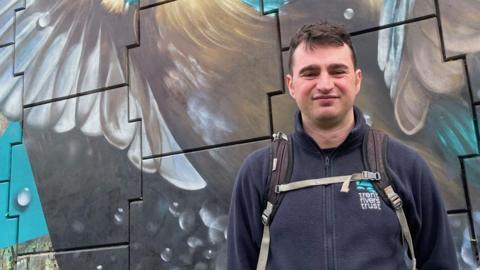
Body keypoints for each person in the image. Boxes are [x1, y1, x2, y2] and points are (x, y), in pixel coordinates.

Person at [227, 21, 458, 269]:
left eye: (338, 71)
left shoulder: (405, 166)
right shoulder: (258, 173)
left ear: (356, 80)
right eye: (310, 73)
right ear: (291, 85)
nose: (325, 85)